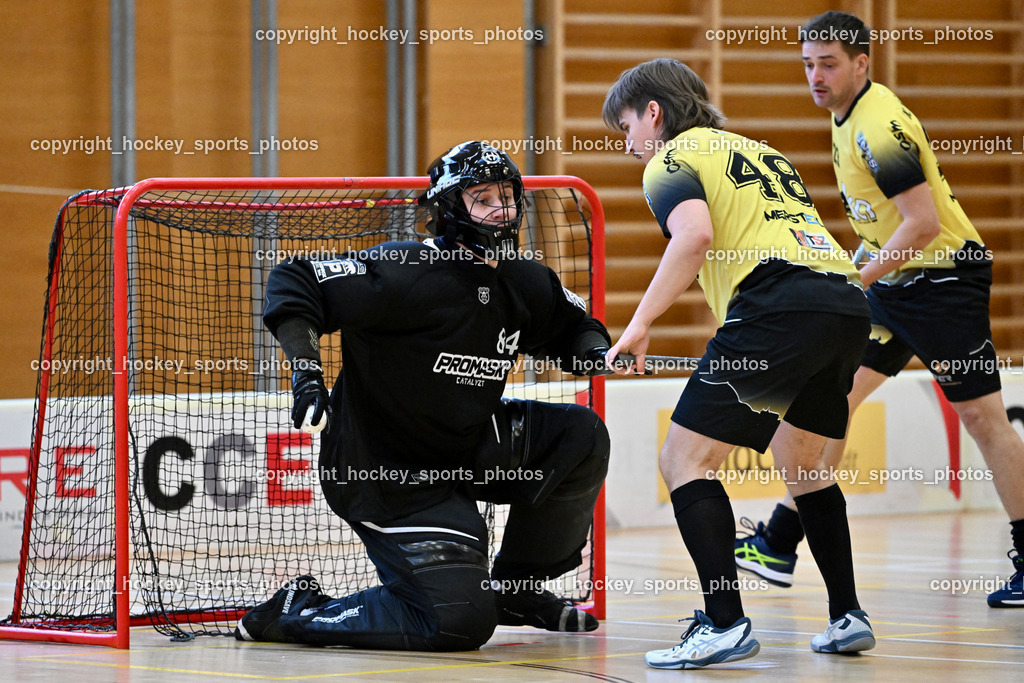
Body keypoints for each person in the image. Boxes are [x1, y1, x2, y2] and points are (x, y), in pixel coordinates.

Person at [233, 140, 612, 651]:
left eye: (507, 195)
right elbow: (295, 280)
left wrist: (592, 350)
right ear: (448, 209)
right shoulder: (403, 271)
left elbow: (576, 328)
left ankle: (517, 589)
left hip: (467, 448)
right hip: (385, 474)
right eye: (482, 198)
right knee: (459, 622)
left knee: (582, 435)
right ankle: (296, 613)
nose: (501, 209)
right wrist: (306, 374)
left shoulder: (525, 281)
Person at [735, 10, 1024, 609]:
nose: (815, 76)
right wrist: (845, 271)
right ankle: (779, 544)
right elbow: (885, 225)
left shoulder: (879, 125)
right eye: (808, 64)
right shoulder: (845, 119)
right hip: (895, 285)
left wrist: (856, 279)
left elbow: (921, 226)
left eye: (829, 64)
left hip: (942, 282)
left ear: (862, 63)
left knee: (983, 421)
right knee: (827, 402)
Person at [602, 58, 875, 669]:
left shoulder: (669, 160)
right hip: (846, 303)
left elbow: (693, 236)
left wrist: (639, 324)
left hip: (778, 306)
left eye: (626, 128)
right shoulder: (761, 153)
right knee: (803, 464)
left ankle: (723, 623)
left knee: (683, 460)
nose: (628, 146)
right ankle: (846, 614)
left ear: (654, 113)